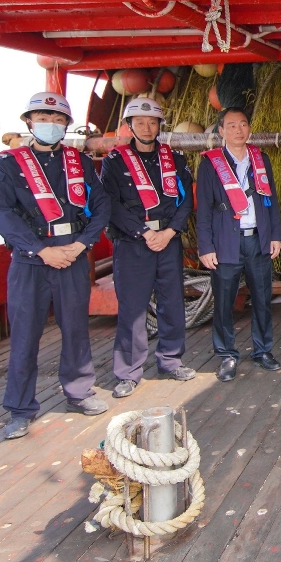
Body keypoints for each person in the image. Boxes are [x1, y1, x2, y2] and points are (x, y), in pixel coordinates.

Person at [0, 91, 111, 440]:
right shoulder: (9, 164)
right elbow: (2, 212)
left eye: (58, 120)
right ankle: (20, 409)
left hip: (72, 253)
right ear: (29, 122)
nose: (51, 125)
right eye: (44, 119)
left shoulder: (79, 162)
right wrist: (40, 251)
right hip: (31, 260)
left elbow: (100, 205)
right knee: (25, 335)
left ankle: (79, 392)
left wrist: (82, 244)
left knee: (76, 329)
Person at [100, 96, 196, 399]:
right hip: (133, 243)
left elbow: (186, 199)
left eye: (152, 122)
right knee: (132, 308)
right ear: (129, 126)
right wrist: (143, 232)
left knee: (172, 302)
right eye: (139, 122)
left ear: (159, 126)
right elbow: (110, 203)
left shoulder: (174, 158)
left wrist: (170, 232)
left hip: (168, 240)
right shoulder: (114, 162)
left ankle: (171, 360)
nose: (146, 127)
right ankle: (128, 372)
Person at [196, 107, 281, 381]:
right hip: (225, 242)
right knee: (224, 301)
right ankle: (227, 355)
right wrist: (206, 247)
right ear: (221, 131)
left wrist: (276, 235)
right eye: (231, 125)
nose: (238, 130)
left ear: (249, 128)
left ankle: (263, 350)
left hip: (258, 239)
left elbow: (271, 201)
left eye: (243, 124)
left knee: (262, 298)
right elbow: (203, 210)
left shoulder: (260, 159)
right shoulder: (211, 163)